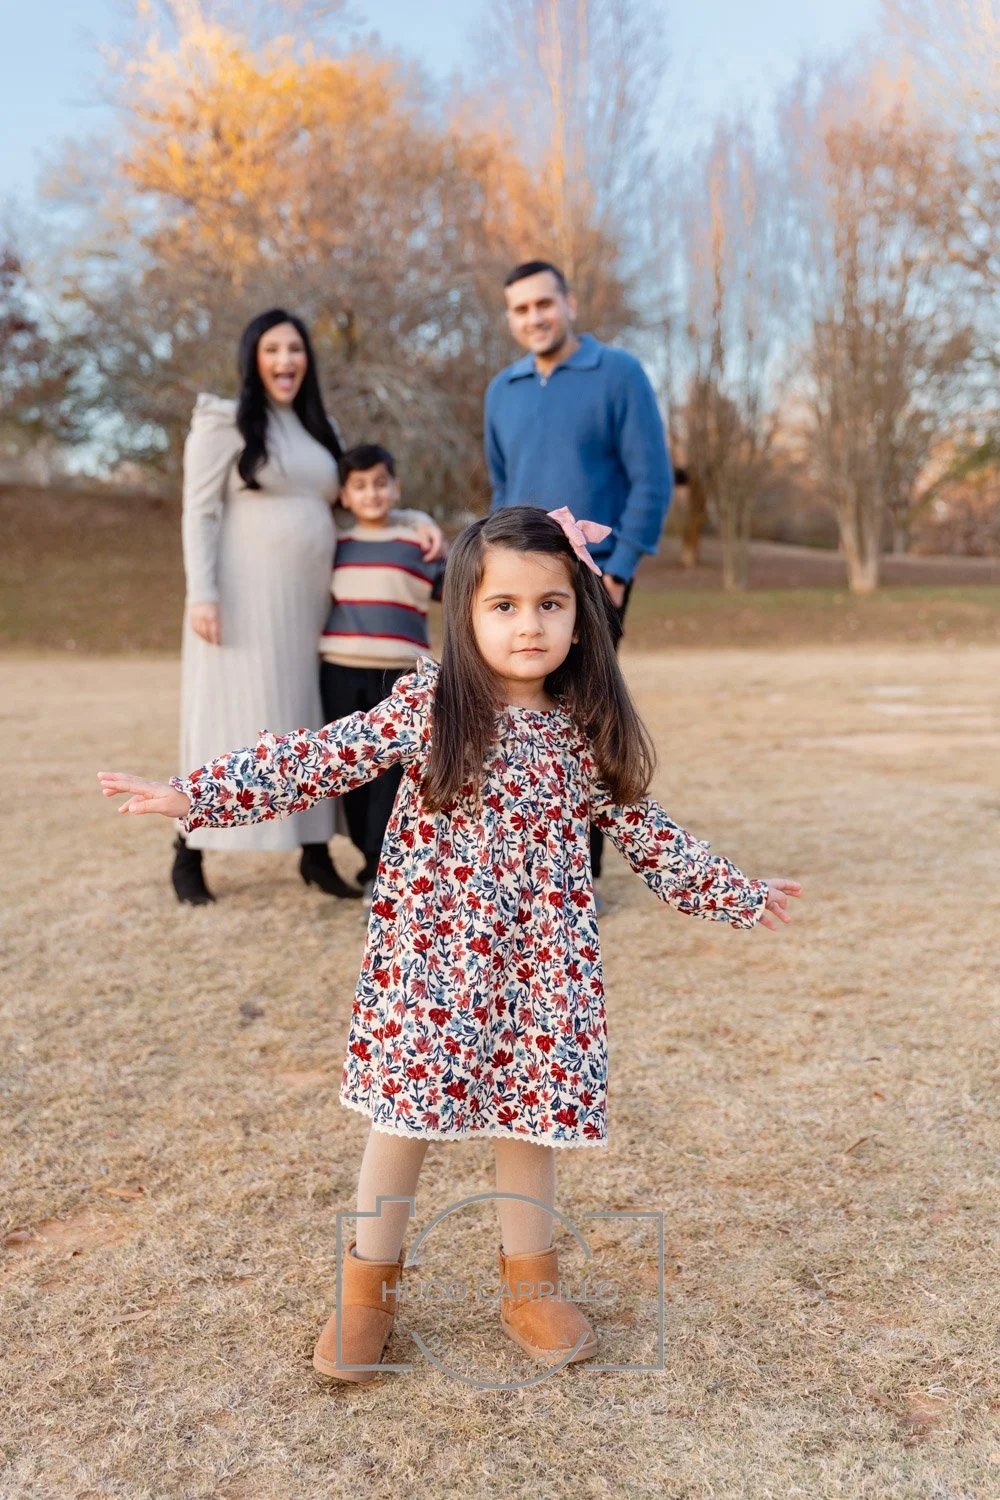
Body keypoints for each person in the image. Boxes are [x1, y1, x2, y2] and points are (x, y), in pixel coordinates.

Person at [99, 505, 801, 1383]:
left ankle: (529, 1285)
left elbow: (652, 836)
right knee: (405, 1119)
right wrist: (191, 795)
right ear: (465, 613)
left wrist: (738, 893)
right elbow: (318, 759)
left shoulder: (585, 731)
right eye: (503, 605)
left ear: (581, 615)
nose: (529, 624)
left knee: (530, 1118)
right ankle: (365, 1296)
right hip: (433, 967)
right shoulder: (430, 707)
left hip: (542, 972)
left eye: (550, 604)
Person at [174, 307, 443, 905]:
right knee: (229, 720)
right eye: (272, 350)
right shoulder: (223, 422)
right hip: (242, 601)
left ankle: (314, 852)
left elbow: (361, 502)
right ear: (253, 358)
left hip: (316, 609)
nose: (285, 361)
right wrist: (203, 593)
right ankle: (188, 850)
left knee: (307, 727)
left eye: (295, 349)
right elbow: (200, 511)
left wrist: (417, 520)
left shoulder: (322, 430)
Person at [485, 259, 675, 907]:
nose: (534, 317)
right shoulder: (502, 390)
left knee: (583, 720)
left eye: (544, 303)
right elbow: (501, 490)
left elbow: (652, 477)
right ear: (510, 318)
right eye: (520, 309)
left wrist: (619, 570)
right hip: (517, 584)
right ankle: (524, 858)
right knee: (517, 717)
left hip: (593, 582)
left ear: (569, 303)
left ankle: (577, 871)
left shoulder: (617, 374)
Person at [319, 443, 446, 908]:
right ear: (345, 496)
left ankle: (382, 868)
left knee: (394, 774)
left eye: (380, 483)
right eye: (359, 486)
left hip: (399, 672)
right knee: (352, 771)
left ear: (395, 488)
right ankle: (368, 854)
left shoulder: (420, 542)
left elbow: (457, 590)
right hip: (340, 668)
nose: (371, 494)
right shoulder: (334, 546)